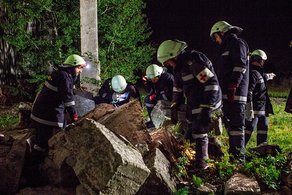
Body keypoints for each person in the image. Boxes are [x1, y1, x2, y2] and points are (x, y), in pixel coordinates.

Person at [157, 40, 222, 169]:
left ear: (174, 55)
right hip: (196, 101)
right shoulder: (178, 68)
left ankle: (202, 166)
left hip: (208, 101)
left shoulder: (194, 62)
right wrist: (175, 106)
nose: (168, 65)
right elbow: (178, 89)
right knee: (190, 128)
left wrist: (206, 108)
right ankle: (213, 147)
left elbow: (211, 84)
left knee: (199, 130)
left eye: (168, 61)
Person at [30, 54, 86, 157]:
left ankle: (35, 160)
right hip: (46, 115)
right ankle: (35, 165)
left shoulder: (60, 73)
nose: (80, 71)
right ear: (72, 66)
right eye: (79, 68)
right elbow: (68, 98)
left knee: (41, 140)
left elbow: (61, 90)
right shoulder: (64, 77)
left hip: (41, 113)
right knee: (44, 142)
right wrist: (74, 116)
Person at [210, 21, 249, 162]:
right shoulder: (226, 47)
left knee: (237, 128)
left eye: (216, 37)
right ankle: (234, 158)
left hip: (236, 94)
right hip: (228, 93)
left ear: (222, 32)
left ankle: (239, 161)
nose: (216, 40)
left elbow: (240, 66)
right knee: (231, 127)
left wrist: (233, 85)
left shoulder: (238, 43)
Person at [245, 49, 274, 146]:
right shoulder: (253, 73)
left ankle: (261, 151)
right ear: (260, 60)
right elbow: (249, 91)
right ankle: (239, 150)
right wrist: (249, 108)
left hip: (262, 109)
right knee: (249, 130)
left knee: (263, 130)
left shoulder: (257, 72)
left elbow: (261, 78)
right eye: (263, 61)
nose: (263, 63)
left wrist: (268, 76)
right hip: (255, 109)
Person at [142, 64, 174, 129]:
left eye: (154, 79)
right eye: (151, 79)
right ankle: (153, 121)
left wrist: (155, 96)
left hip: (172, 100)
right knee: (148, 99)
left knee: (151, 100)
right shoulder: (155, 78)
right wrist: (147, 84)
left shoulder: (167, 78)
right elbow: (149, 91)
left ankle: (156, 123)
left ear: (159, 75)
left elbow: (168, 95)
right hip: (162, 97)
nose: (153, 81)